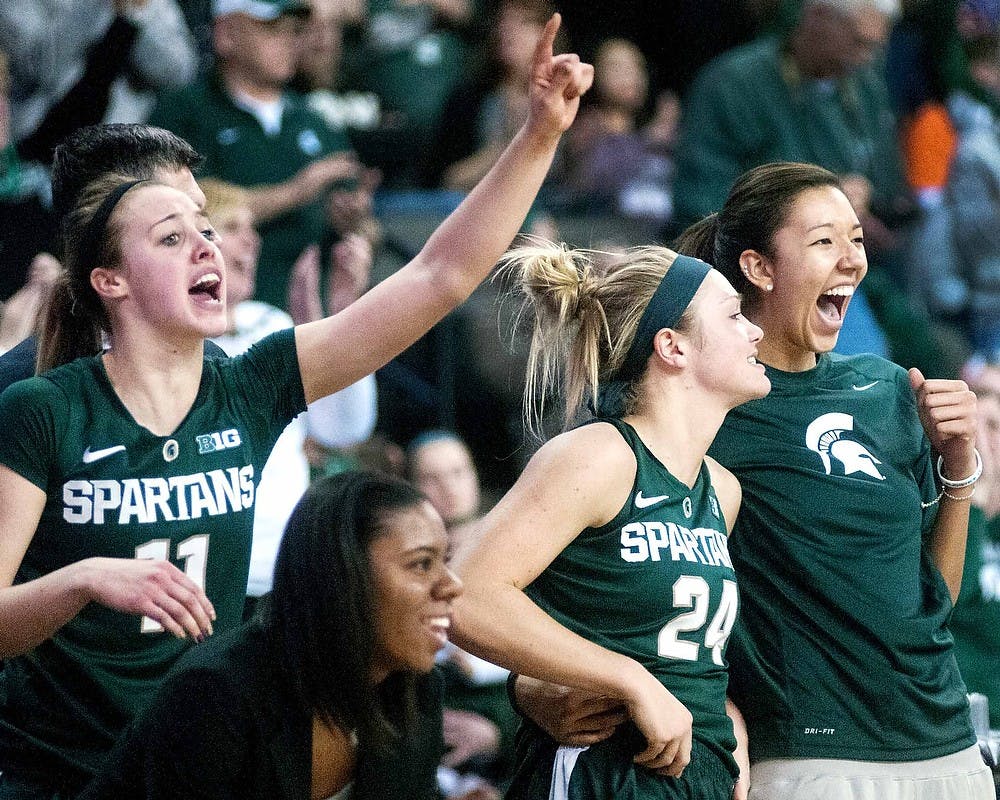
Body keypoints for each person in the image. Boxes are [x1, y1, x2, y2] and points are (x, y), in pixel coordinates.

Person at [0, 18, 591, 798]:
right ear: (107, 279)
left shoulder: (252, 382)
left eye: (208, 230)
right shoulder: (41, 406)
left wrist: (539, 134)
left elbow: (438, 276)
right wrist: (83, 581)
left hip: (208, 758)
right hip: (58, 772)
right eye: (175, 236)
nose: (210, 247)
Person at [511, 161, 994, 799]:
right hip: (804, 757)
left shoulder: (886, 389)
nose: (852, 258)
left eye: (856, 238)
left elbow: (932, 600)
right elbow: (578, 580)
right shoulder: (703, 408)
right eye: (824, 240)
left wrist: (959, 471)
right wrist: (531, 685)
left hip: (946, 744)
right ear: (759, 268)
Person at [450, 240, 771, 799]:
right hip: (604, 772)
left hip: (702, 772)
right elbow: (464, 594)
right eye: (734, 315)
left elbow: (686, 656)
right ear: (672, 346)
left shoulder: (724, 489)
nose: (756, 331)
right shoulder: (600, 456)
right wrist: (623, 678)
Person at [77, 469, 461, 800]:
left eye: (444, 562)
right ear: (342, 576)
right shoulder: (217, 693)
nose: (452, 585)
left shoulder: (419, 691)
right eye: (421, 564)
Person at [199, 177, 377, 608]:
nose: (253, 242)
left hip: (282, 569)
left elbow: (344, 429)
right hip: (203, 575)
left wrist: (339, 324)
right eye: (236, 228)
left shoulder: (272, 323)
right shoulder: (171, 340)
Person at [149, 0, 364, 309]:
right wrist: (296, 192)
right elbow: (180, 213)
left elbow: (367, 227)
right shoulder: (184, 113)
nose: (290, 40)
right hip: (220, 314)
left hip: (315, 317)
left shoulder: (318, 121)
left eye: (294, 30)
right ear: (227, 34)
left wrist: (354, 221)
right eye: (272, 28)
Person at [0, 122, 221, 393]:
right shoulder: (16, 391)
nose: (211, 241)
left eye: (200, 219)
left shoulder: (213, 368)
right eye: (173, 232)